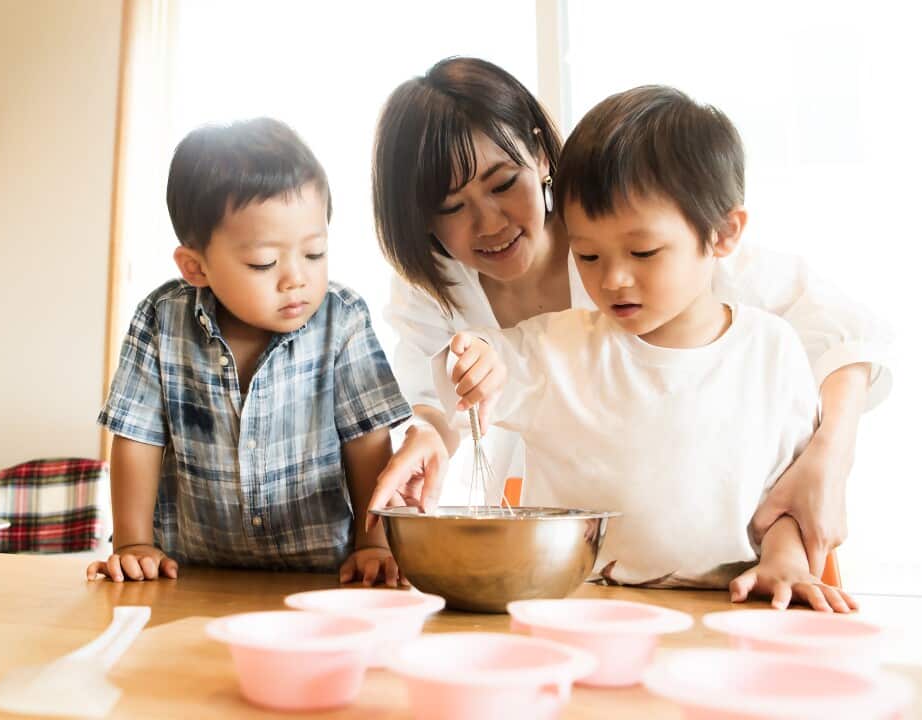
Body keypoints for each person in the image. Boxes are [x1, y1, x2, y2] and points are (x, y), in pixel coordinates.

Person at [368, 57, 891, 577]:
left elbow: (841, 330)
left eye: (503, 183)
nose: (489, 222)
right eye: (453, 207)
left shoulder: (658, 241)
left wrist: (830, 459)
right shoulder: (436, 285)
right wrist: (432, 432)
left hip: (733, 559)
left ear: (540, 154)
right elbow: (444, 394)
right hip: (572, 553)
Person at [87, 118, 411, 586]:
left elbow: (368, 442)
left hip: (323, 576)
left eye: (314, 253)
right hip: (194, 575)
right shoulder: (161, 320)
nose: (296, 278)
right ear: (195, 267)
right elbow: (137, 438)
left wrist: (374, 545)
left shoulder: (342, 320)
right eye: (264, 262)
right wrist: (134, 542)